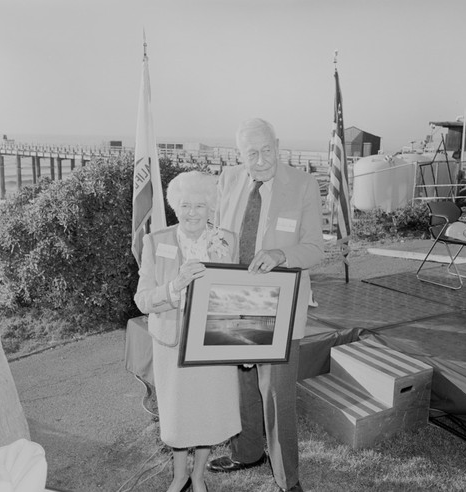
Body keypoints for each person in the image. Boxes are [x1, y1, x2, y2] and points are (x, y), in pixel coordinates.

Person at [207, 118, 324, 492]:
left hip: (281, 303)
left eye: (266, 150)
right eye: (250, 154)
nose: (259, 161)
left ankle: (288, 480)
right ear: (239, 156)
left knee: (277, 393)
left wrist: (280, 253)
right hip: (234, 299)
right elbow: (220, 233)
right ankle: (247, 451)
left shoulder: (304, 184)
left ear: (279, 144)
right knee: (242, 382)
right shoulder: (228, 179)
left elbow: (315, 250)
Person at [134, 171, 241, 492]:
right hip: (173, 344)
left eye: (200, 205)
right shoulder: (155, 241)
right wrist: (174, 286)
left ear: (211, 208)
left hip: (213, 343)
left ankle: (198, 476)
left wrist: (243, 345)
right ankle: (180, 475)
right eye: (185, 205)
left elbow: (234, 296)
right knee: (179, 416)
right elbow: (142, 300)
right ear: (174, 207)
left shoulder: (228, 240)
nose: (192, 212)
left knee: (208, 412)